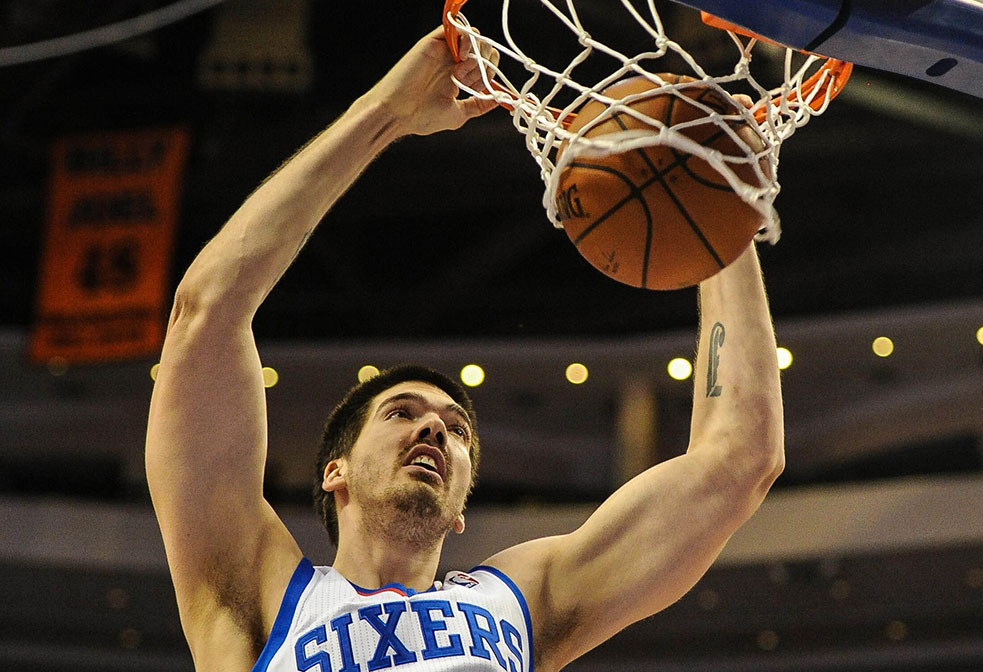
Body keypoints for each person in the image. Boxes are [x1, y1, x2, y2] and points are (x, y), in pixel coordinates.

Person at [146, 25, 784, 672]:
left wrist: (717, 214)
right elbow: (205, 314)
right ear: (332, 471)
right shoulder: (260, 592)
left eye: (457, 432)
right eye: (401, 413)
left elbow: (737, 461)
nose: (434, 429)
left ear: (459, 511)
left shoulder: (524, 601)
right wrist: (384, 115)